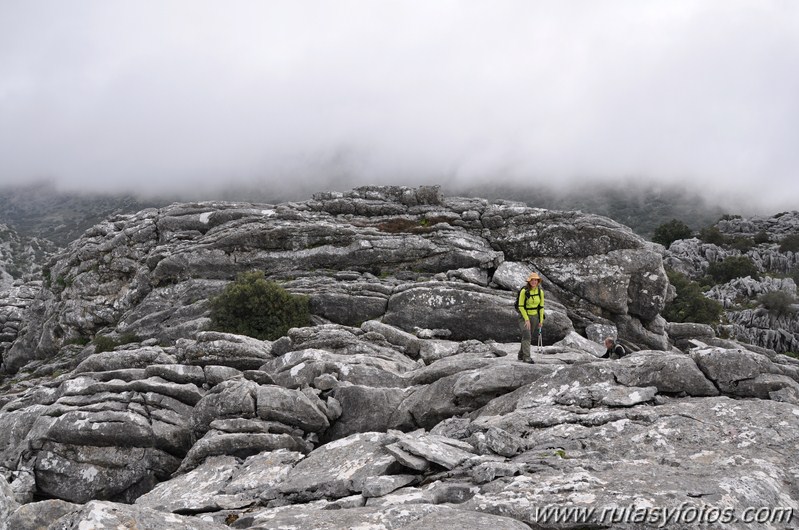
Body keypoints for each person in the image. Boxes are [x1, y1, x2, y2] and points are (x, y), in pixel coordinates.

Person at [516, 272, 545, 363]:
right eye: (532, 280)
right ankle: (526, 357)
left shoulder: (540, 292)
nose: (534, 282)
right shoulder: (524, 291)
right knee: (527, 335)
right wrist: (526, 319)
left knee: (527, 336)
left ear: (538, 281)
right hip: (524, 316)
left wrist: (541, 321)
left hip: (535, 316)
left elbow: (541, 307)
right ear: (529, 281)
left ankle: (521, 354)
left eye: (535, 280)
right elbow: (521, 306)